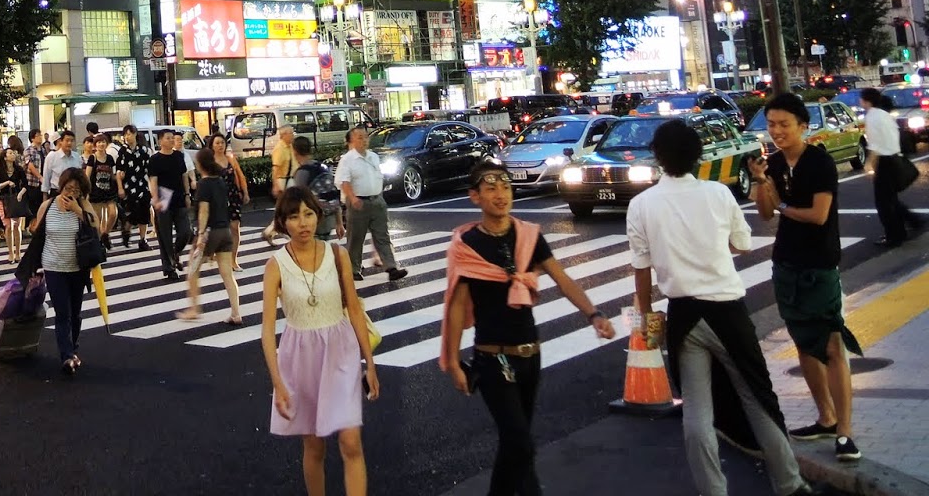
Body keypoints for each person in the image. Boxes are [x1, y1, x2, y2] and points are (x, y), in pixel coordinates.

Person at [628, 119, 823, 496]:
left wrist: (646, 319)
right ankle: (789, 483)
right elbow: (743, 245)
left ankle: (712, 490)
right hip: (727, 311)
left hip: (683, 315)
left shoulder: (641, 205)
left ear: (658, 157)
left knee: (696, 410)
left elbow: (641, 269)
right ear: (697, 155)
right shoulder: (718, 193)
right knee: (757, 397)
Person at [441, 161, 614, 495]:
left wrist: (593, 314)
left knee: (516, 446)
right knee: (519, 442)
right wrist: (452, 361)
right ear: (475, 197)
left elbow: (562, 278)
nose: (501, 194)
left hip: (530, 354)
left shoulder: (529, 237)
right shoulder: (467, 245)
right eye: (491, 188)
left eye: (505, 187)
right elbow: (457, 305)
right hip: (492, 358)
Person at [753, 93, 863, 461]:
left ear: (803, 126)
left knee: (832, 344)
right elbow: (765, 214)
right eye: (771, 124)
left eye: (784, 124)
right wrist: (761, 182)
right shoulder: (773, 163)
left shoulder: (819, 162)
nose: (777, 131)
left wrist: (782, 205)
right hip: (787, 263)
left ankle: (845, 432)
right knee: (804, 343)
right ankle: (826, 418)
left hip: (819, 263)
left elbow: (818, 215)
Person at [260, 187, 379, 496]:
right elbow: (267, 330)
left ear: (318, 216)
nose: (303, 223)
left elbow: (354, 309)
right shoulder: (275, 265)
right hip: (300, 357)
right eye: (294, 217)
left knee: (350, 441)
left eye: (308, 214)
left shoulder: (337, 255)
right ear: (283, 222)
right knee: (314, 445)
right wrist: (278, 383)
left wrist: (369, 363)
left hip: (340, 351)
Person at [33, 168, 94, 375]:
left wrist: (77, 210)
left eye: (76, 190)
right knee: (62, 312)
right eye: (68, 188)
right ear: (61, 186)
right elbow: (37, 234)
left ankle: (73, 348)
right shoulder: (48, 205)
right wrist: (33, 267)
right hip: (53, 266)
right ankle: (66, 356)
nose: (71, 192)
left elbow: (96, 225)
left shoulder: (83, 205)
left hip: (77, 267)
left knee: (75, 313)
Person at [335, 127, 407, 283]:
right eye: (360, 137)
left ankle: (391, 268)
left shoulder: (373, 156)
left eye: (366, 137)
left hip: (377, 200)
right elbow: (343, 182)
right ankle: (354, 269)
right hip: (358, 202)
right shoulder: (347, 160)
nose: (364, 140)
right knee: (356, 238)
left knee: (382, 236)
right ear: (352, 141)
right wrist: (352, 198)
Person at [180, 148, 243, 324]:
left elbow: (204, 210)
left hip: (209, 232)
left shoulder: (204, 184)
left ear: (200, 164)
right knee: (227, 274)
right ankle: (236, 313)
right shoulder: (221, 182)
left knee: (192, 270)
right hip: (225, 232)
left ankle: (194, 309)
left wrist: (200, 235)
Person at [859, 87, 921, 248]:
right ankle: (909, 224)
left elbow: (875, 145)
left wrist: (869, 164)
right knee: (890, 199)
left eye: (862, 99)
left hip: (884, 162)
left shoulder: (872, 117)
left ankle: (894, 235)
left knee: (883, 203)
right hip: (895, 158)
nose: (860, 101)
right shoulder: (884, 115)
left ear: (867, 101)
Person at [148, 128, 193, 281]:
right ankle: (170, 268)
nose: (171, 140)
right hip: (163, 198)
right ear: (160, 141)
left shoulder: (179, 156)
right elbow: (153, 181)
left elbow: (184, 176)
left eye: (172, 138)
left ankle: (175, 252)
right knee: (165, 236)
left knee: (186, 232)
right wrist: (155, 199)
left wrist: (187, 194)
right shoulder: (155, 159)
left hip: (179, 198)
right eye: (168, 138)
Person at [289, 134, 344, 242]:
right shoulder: (322, 167)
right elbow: (333, 193)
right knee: (322, 247)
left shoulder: (302, 172)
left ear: (295, 152)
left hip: (313, 221)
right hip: (329, 218)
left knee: (312, 249)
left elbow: (298, 200)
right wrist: (339, 223)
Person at [210, 132, 250, 272]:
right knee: (220, 229)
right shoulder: (210, 162)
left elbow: (240, 176)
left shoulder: (230, 159)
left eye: (222, 142)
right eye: (217, 143)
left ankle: (233, 260)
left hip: (233, 196)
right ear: (212, 146)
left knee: (234, 227)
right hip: (217, 199)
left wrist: (245, 192)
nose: (220, 145)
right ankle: (216, 254)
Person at [115, 125, 152, 250]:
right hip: (129, 186)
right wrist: (120, 188)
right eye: (125, 134)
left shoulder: (144, 150)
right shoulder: (122, 151)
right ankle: (126, 229)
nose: (127, 137)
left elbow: (150, 169)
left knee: (144, 212)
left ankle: (143, 239)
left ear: (135, 134)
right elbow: (118, 171)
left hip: (144, 185)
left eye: (129, 134)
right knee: (133, 211)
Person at [84, 135, 120, 252]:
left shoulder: (110, 158)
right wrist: (86, 192)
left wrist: (120, 183)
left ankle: (105, 234)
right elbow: (87, 176)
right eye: (98, 142)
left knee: (113, 214)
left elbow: (114, 175)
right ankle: (100, 242)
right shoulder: (92, 158)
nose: (101, 144)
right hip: (96, 192)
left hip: (109, 191)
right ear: (95, 145)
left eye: (103, 142)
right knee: (99, 219)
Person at [0, 144, 27, 265]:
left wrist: (21, 194)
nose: (13, 155)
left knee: (17, 225)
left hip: (16, 199)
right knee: (8, 226)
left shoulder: (19, 169)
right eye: (10, 153)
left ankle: (18, 252)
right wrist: (7, 182)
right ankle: (10, 252)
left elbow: (25, 184)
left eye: (13, 153)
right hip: (4, 199)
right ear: (5, 157)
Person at [42, 128, 85, 196]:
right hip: (57, 192)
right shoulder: (52, 156)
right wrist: (45, 198)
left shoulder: (77, 157)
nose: (69, 143)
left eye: (72, 141)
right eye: (67, 140)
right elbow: (46, 179)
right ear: (60, 141)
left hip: (73, 193)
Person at [22, 129, 48, 222]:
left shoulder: (43, 150)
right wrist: (39, 177)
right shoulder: (28, 150)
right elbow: (30, 165)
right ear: (32, 138)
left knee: (42, 205)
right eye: (38, 135)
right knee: (33, 207)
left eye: (40, 135)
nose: (40, 137)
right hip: (33, 182)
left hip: (43, 182)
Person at [272, 125, 298, 200]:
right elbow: (275, 169)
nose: (293, 135)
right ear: (284, 135)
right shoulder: (279, 149)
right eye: (291, 133)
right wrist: (276, 185)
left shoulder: (290, 146)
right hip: (284, 181)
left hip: (292, 180)